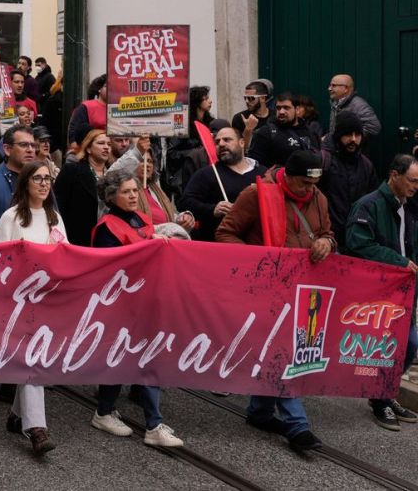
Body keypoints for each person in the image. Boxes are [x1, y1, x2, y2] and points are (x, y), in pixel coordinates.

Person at [214, 151, 332, 452]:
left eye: (314, 184)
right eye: (304, 183)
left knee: (284, 351)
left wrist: (326, 242)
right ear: (289, 176)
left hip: (302, 290)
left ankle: (260, 412)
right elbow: (225, 233)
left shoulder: (318, 197)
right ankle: (297, 425)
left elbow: (327, 233)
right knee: (281, 353)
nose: (309, 190)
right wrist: (261, 264)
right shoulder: (256, 194)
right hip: (266, 290)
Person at [88, 169, 186, 448]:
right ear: (111, 197)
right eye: (126, 191)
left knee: (125, 361)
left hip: (146, 300)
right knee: (141, 361)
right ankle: (153, 425)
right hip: (124, 305)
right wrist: (148, 247)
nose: (133, 195)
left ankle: (104, 411)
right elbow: (111, 266)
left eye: (135, 190)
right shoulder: (107, 227)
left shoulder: (142, 219)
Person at [0, 160, 63, 455]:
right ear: (25, 183)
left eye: (47, 178)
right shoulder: (11, 218)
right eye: (37, 178)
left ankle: (17, 415)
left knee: (34, 360)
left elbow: (64, 256)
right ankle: (36, 429)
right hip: (18, 302)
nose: (44, 183)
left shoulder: (54, 218)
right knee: (31, 360)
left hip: (44, 300)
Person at [343, 155, 418, 430]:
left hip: (404, 293)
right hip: (376, 294)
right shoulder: (367, 205)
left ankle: (385, 392)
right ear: (394, 175)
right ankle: (379, 398)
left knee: (409, 344)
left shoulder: (408, 208)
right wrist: (400, 262)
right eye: (412, 181)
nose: (416, 186)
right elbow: (357, 244)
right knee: (387, 346)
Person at [179, 123, 266, 242]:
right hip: (220, 245)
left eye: (227, 140)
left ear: (241, 143)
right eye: (217, 141)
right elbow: (185, 202)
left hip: (259, 245)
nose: (221, 144)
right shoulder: (206, 174)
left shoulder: (263, 173)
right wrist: (212, 209)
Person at [319, 111, 377, 245]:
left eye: (357, 135)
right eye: (348, 134)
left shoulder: (366, 166)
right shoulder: (323, 161)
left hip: (357, 236)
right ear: (338, 136)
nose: (353, 139)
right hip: (328, 237)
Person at [55, 128, 111, 246]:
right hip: (77, 241)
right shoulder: (71, 170)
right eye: (101, 143)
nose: (106, 147)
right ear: (89, 148)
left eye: (109, 144)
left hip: (107, 240)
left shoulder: (113, 174)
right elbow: (57, 206)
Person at [248, 92, 316, 168]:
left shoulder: (310, 132)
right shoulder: (266, 132)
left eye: (286, 108)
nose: (281, 112)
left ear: (297, 110)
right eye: (278, 108)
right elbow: (253, 164)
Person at [327, 74, 381, 139]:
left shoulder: (359, 105)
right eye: (330, 85)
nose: (329, 89)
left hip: (352, 148)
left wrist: (351, 138)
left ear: (346, 89)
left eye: (334, 85)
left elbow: (374, 127)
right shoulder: (336, 103)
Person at [66, 75, 107, 147]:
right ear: (99, 89)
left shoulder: (121, 107)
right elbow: (74, 131)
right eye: (107, 86)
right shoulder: (86, 106)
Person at [233, 80, 273, 147]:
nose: (247, 101)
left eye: (251, 98)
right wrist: (248, 129)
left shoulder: (275, 116)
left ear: (263, 98)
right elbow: (238, 148)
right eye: (245, 98)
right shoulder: (240, 118)